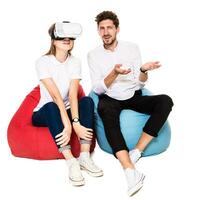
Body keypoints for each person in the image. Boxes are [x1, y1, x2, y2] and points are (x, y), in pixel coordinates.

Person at [88, 11, 174, 196]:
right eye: (102, 28)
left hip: (133, 95)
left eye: (109, 27)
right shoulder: (93, 55)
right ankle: (130, 171)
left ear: (117, 29)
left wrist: (143, 70)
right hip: (110, 97)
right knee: (105, 111)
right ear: (98, 31)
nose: (106, 32)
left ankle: (137, 151)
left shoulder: (132, 48)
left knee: (165, 101)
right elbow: (97, 89)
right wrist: (114, 73)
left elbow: (140, 83)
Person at [32, 21, 103, 186]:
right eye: (62, 37)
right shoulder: (42, 61)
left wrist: (76, 122)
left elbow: (72, 94)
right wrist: (68, 125)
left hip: (68, 108)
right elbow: (56, 97)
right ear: (54, 40)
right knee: (51, 107)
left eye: (70, 37)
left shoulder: (75, 61)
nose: (67, 39)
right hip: (45, 111)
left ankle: (84, 157)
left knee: (86, 101)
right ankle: (71, 161)